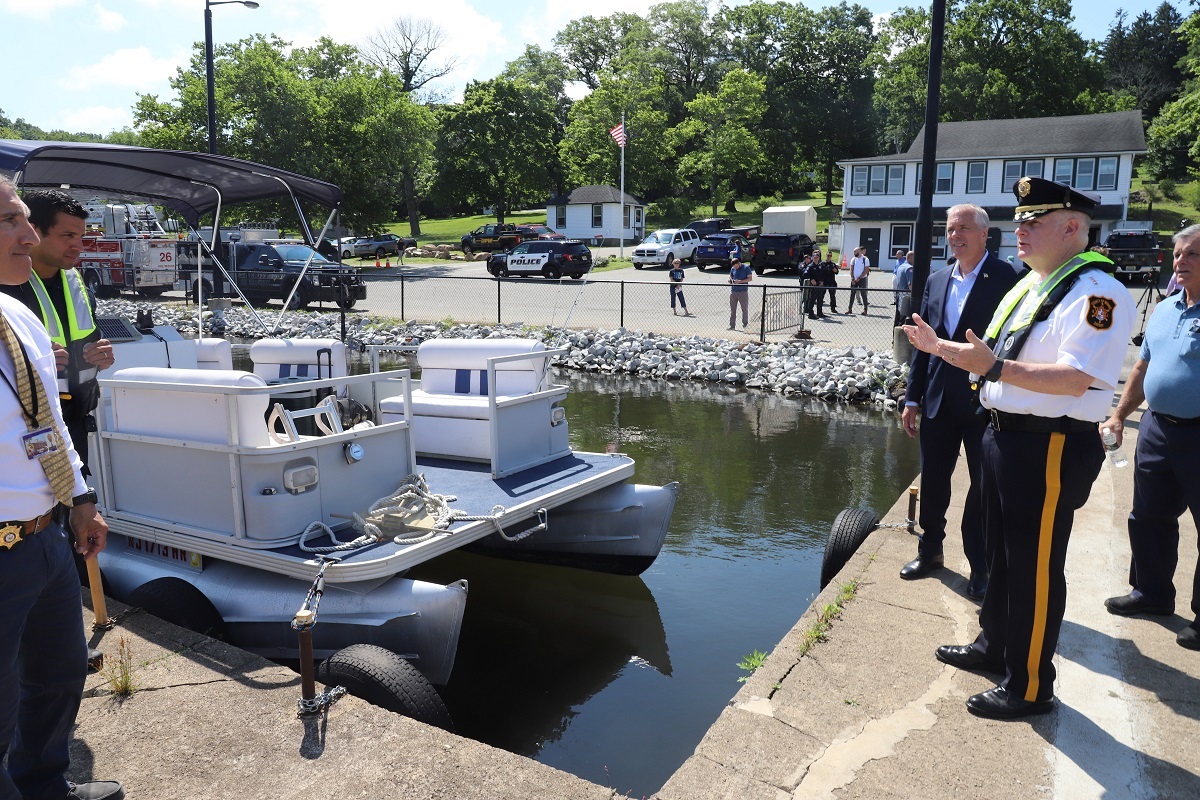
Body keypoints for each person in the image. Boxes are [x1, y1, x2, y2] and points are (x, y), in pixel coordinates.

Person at [903, 176, 1134, 719]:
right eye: (1020, 221)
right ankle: (995, 648)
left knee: (1033, 568)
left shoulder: (1097, 293)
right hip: (1005, 435)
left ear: (1072, 227)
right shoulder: (1034, 284)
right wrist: (942, 350)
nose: (1019, 231)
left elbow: (1077, 379)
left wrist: (995, 369)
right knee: (1003, 557)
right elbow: (993, 354)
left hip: (1049, 446)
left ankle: (1030, 686)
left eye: (1033, 221)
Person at [0, 177, 124, 799]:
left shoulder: (18, 314)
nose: (25, 235)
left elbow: (47, 420)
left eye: (25, 219)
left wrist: (80, 499)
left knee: (58, 675)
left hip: (47, 536)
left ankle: (45, 786)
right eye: (9, 222)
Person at [900, 206, 1023, 600]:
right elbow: (922, 345)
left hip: (982, 403)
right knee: (933, 479)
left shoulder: (1008, 278)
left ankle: (981, 567)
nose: (956, 235)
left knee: (984, 488)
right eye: (951, 229)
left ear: (985, 234)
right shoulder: (937, 280)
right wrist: (912, 397)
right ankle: (930, 550)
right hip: (936, 401)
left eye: (965, 229)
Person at [1101, 223, 1200, 650]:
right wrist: (1120, 415)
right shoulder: (1165, 309)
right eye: (1178, 254)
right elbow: (1141, 369)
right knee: (1148, 518)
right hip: (1158, 430)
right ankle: (1153, 593)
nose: (1181, 262)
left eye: (1192, 254)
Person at [0, 191, 115, 476]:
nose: (79, 245)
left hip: (73, 426)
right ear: (36, 231)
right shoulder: (6, 289)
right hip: (26, 434)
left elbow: (89, 342)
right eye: (67, 236)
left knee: (73, 507)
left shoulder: (78, 286)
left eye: (80, 236)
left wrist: (103, 356)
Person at [728, 257, 753, 330]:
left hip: (743, 291)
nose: (735, 268)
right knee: (733, 309)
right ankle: (732, 325)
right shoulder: (733, 269)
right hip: (734, 291)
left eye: (736, 266)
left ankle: (745, 324)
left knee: (744, 309)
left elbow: (750, 278)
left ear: (739, 263)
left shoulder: (746, 268)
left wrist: (740, 281)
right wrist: (730, 280)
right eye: (734, 267)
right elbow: (731, 276)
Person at [892, 250, 915, 327]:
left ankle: (895, 337)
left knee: (898, 317)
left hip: (899, 294)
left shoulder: (901, 266)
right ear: (911, 257)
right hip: (906, 296)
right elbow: (911, 285)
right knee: (904, 318)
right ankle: (901, 337)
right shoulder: (910, 269)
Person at [802, 253, 826, 320]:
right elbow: (805, 274)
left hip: (820, 285)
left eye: (817, 257)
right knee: (812, 300)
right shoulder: (810, 266)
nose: (816, 258)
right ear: (812, 258)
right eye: (815, 257)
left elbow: (822, 275)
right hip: (813, 286)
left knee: (820, 300)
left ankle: (819, 313)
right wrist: (811, 279)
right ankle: (811, 314)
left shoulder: (820, 266)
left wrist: (822, 281)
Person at [848, 246, 870, 314]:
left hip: (862, 279)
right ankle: (850, 309)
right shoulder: (853, 259)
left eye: (856, 252)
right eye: (854, 252)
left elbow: (866, 270)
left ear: (860, 251)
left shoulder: (865, 259)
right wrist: (852, 279)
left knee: (863, 294)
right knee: (852, 294)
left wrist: (859, 278)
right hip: (854, 280)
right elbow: (851, 270)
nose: (854, 253)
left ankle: (865, 310)